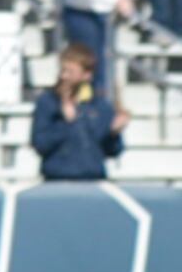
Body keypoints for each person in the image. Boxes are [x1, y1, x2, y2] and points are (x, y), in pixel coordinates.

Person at [32, 41, 122, 181]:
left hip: (93, 180)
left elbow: (113, 151)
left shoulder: (100, 105)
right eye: (63, 70)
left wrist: (114, 133)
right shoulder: (48, 102)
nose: (64, 76)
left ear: (87, 75)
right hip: (56, 180)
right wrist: (65, 123)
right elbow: (40, 144)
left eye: (70, 72)